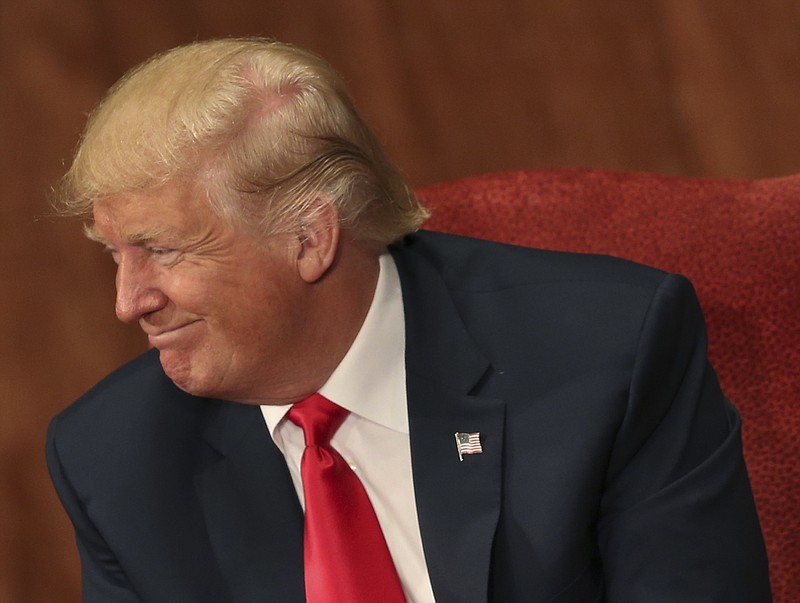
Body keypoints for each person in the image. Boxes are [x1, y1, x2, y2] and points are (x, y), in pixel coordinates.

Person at [47, 38, 771, 603]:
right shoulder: (115, 461)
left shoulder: (608, 354)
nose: (128, 299)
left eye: (164, 250)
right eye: (114, 254)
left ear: (309, 237)